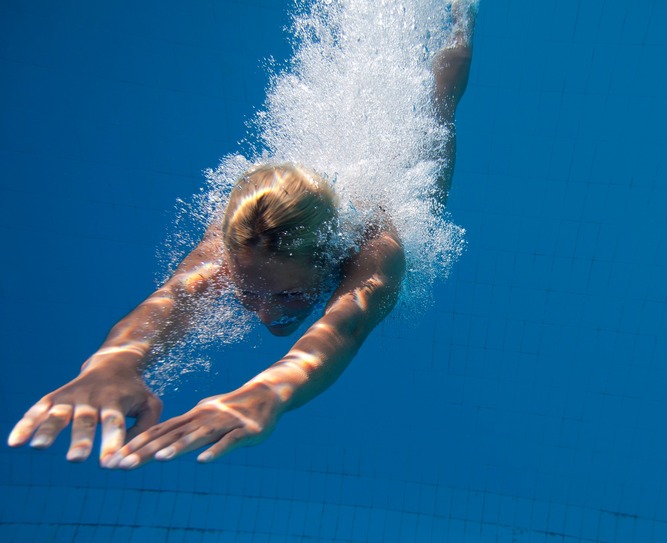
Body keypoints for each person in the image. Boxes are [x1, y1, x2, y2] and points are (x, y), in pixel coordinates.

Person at [8, 1, 477, 469]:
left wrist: (267, 392)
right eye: (249, 292)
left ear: (328, 257)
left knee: (443, 92)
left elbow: (346, 326)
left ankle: (461, 14)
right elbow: (174, 296)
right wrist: (113, 363)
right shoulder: (240, 239)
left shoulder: (377, 249)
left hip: (397, 184)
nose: (267, 312)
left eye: (291, 292)